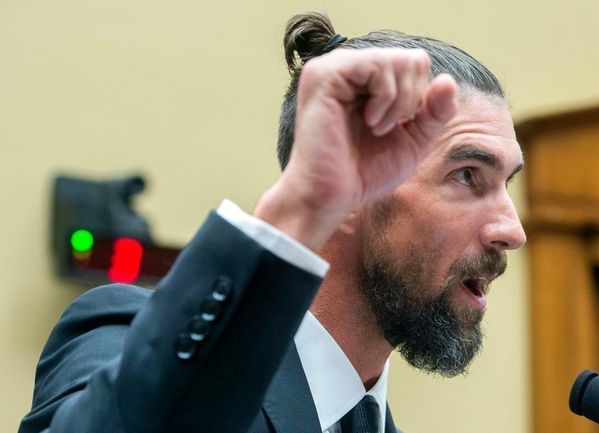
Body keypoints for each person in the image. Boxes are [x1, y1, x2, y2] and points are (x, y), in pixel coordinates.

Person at [19, 11, 525, 433]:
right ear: (351, 191)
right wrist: (299, 209)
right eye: (467, 176)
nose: (513, 229)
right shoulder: (125, 343)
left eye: (507, 184)